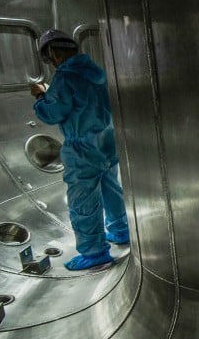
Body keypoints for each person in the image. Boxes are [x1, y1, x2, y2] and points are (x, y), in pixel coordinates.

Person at [29, 29, 130, 271]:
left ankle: (94, 252)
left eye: (49, 57)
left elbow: (53, 113)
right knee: (111, 189)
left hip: (82, 149)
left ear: (53, 53)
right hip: (106, 144)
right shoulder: (98, 72)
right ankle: (119, 230)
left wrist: (40, 97)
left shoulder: (65, 78)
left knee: (83, 201)